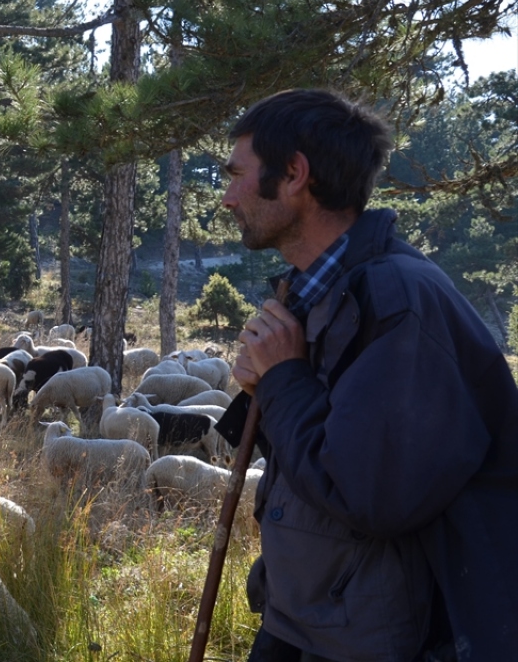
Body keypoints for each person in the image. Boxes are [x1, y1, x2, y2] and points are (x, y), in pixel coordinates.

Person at [213, 88, 518, 662]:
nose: (228, 197)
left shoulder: (398, 299)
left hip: (375, 637)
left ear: (295, 174)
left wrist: (282, 383)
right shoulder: (322, 294)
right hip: (315, 616)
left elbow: (369, 493)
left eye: (237, 175)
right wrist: (271, 386)